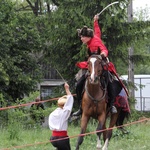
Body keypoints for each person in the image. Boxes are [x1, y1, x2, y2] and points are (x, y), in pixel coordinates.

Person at [73, 14, 118, 116]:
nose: (81, 39)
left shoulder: (96, 41)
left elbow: (104, 49)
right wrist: (95, 21)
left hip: (101, 65)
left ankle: (111, 106)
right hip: (91, 65)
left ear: (88, 37)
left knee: (109, 83)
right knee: (79, 84)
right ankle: (81, 107)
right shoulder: (91, 40)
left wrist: (103, 54)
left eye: (82, 37)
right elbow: (97, 31)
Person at [49, 82, 74, 150]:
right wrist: (67, 89)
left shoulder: (52, 114)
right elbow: (70, 101)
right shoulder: (64, 113)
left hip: (53, 138)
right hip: (62, 139)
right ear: (64, 105)